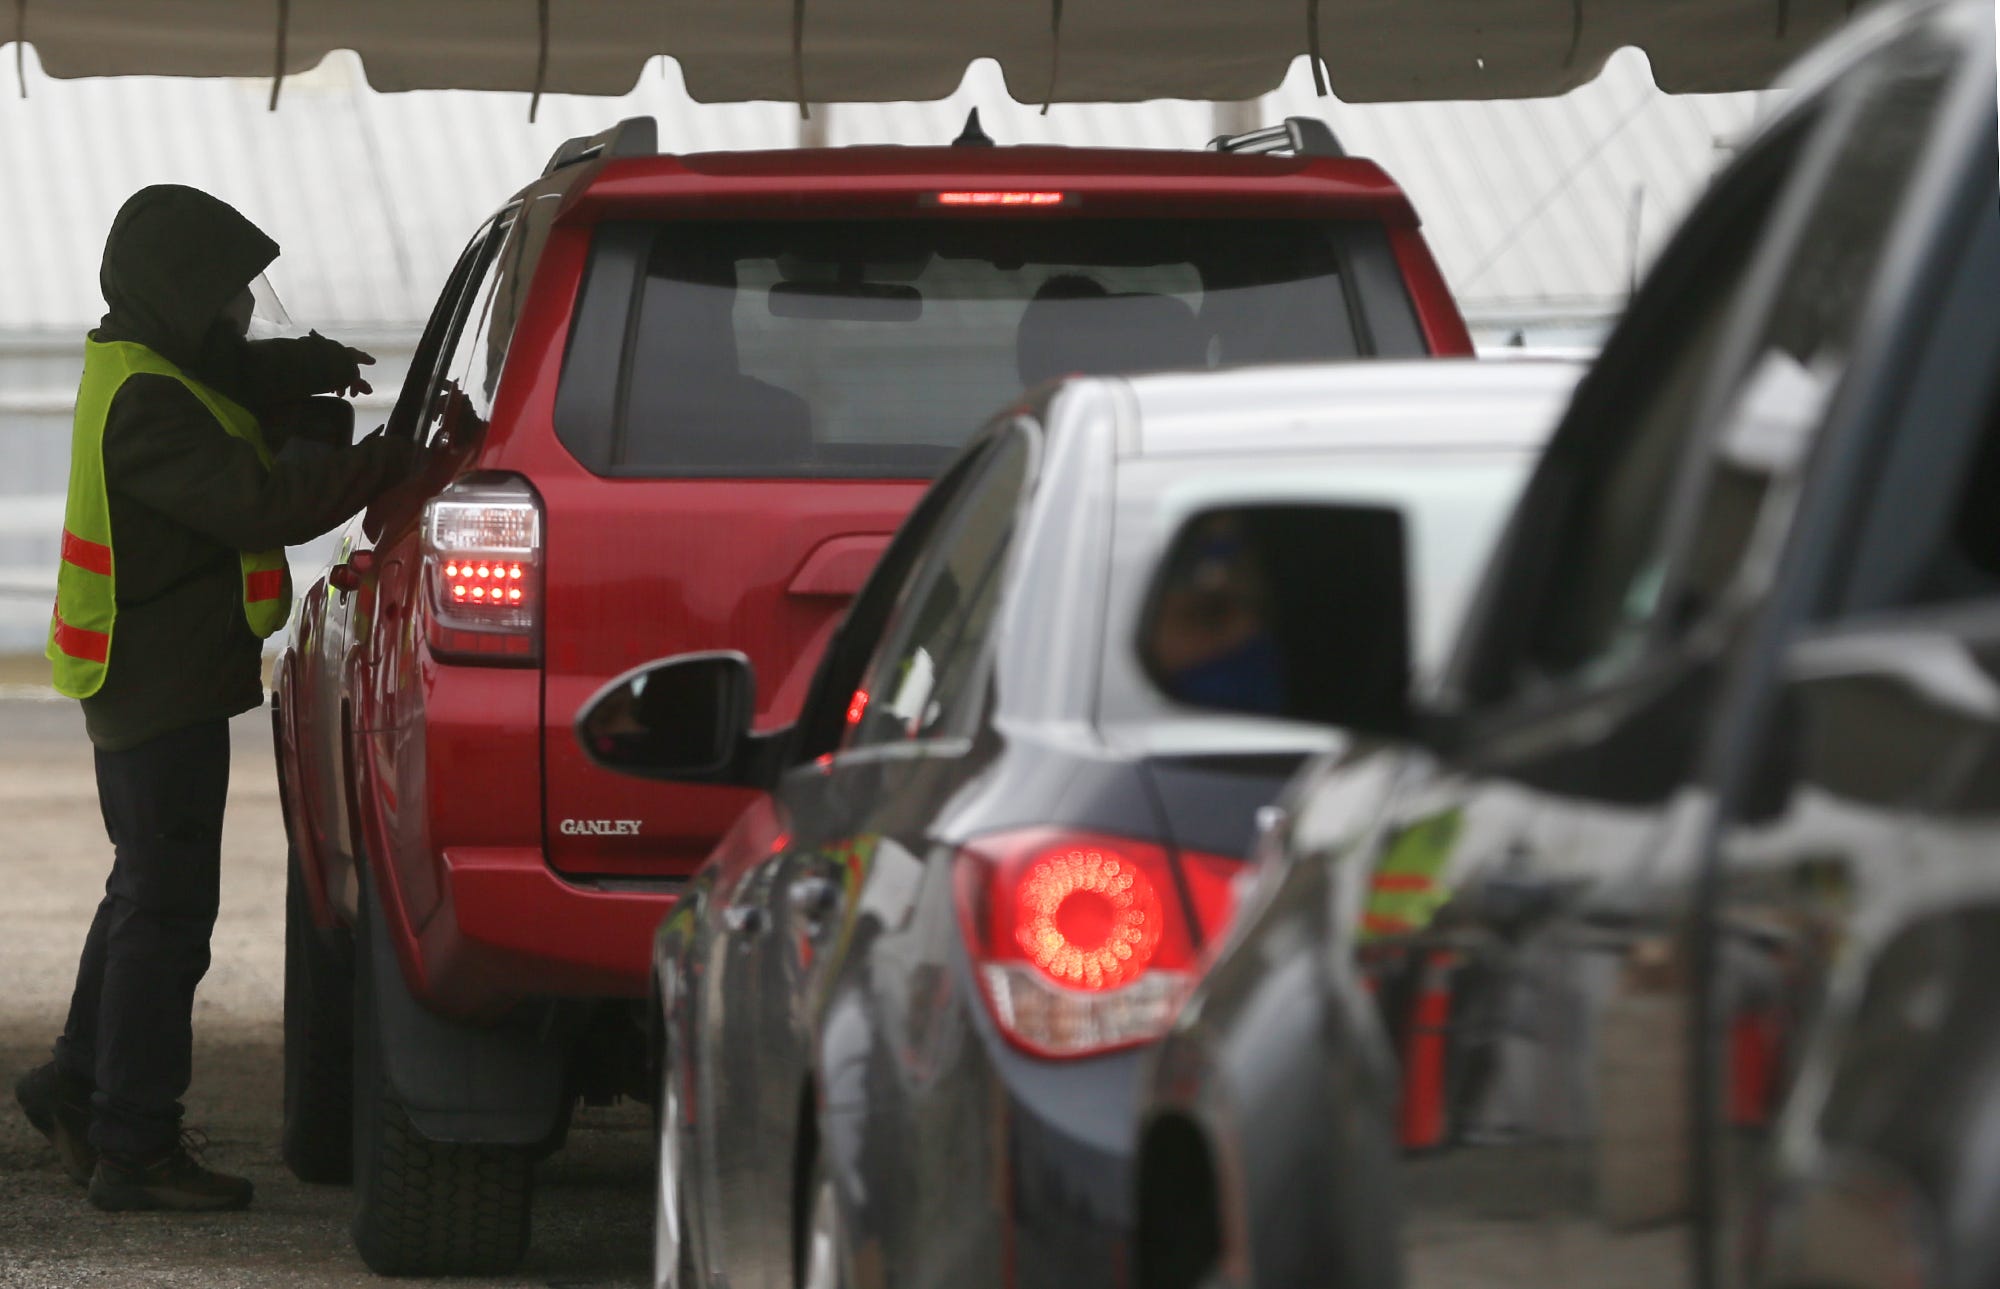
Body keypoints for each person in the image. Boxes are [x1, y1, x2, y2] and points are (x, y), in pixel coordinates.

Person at [11, 185, 420, 1213]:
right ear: (183, 294)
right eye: (229, 292)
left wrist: (316, 361)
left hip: (161, 678)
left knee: (140, 888)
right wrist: (387, 462)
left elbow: (238, 372)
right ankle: (134, 1143)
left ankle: (76, 1080)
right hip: (153, 687)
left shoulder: (150, 358)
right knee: (168, 910)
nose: (241, 311)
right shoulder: (149, 398)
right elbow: (264, 502)